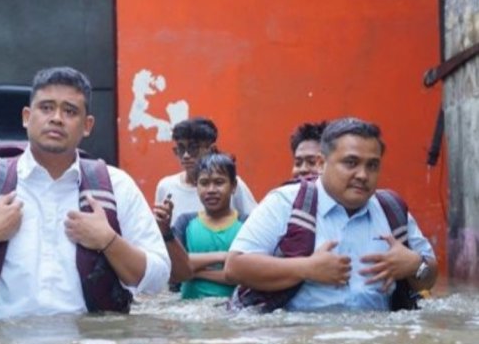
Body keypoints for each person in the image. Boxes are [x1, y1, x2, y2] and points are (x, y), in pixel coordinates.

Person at [0, 66, 170, 321]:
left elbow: (157, 278)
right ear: (27, 117)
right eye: (46, 108)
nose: (57, 118)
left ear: (87, 125)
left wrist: (108, 241)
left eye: (70, 111)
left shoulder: (117, 186)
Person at [224, 117, 437, 312]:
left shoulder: (392, 209)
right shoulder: (285, 202)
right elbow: (235, 267)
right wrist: (306, 268)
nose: (363, 175)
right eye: (350, 163)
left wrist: (415, 265)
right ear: (321, 163)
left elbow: (429, 277)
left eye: (372, 165)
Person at [153, 153, 245, 299]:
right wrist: (224, 257)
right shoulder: (185, 222)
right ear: (196, 186)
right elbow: (174, 270)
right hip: (190, 310)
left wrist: (193, 272)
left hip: (232, 310)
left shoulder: (246, 224)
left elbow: (245, 274)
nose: (211, 190)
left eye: (219, 182)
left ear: (233, 186)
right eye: (204, 183)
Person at [154, 117, 257, 219]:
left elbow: (255, 223)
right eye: (181, 149)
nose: (186, 155)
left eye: (193, 148)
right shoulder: (166, 186)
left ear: (211, 149)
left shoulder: (230, 184)